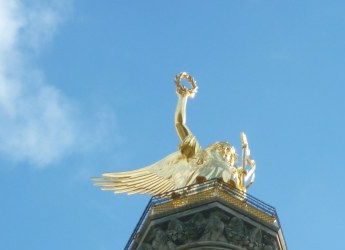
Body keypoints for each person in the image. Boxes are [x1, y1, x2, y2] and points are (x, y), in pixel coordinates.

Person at [93, 73, 255, 196]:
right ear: (214, 148)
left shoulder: (235, 172)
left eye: (229, 152)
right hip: (199, 195)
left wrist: (242, 176)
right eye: (223, 148)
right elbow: (180, 124)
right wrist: (183, 99)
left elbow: (242, 193)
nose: (225, 152)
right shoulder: (201, 156)